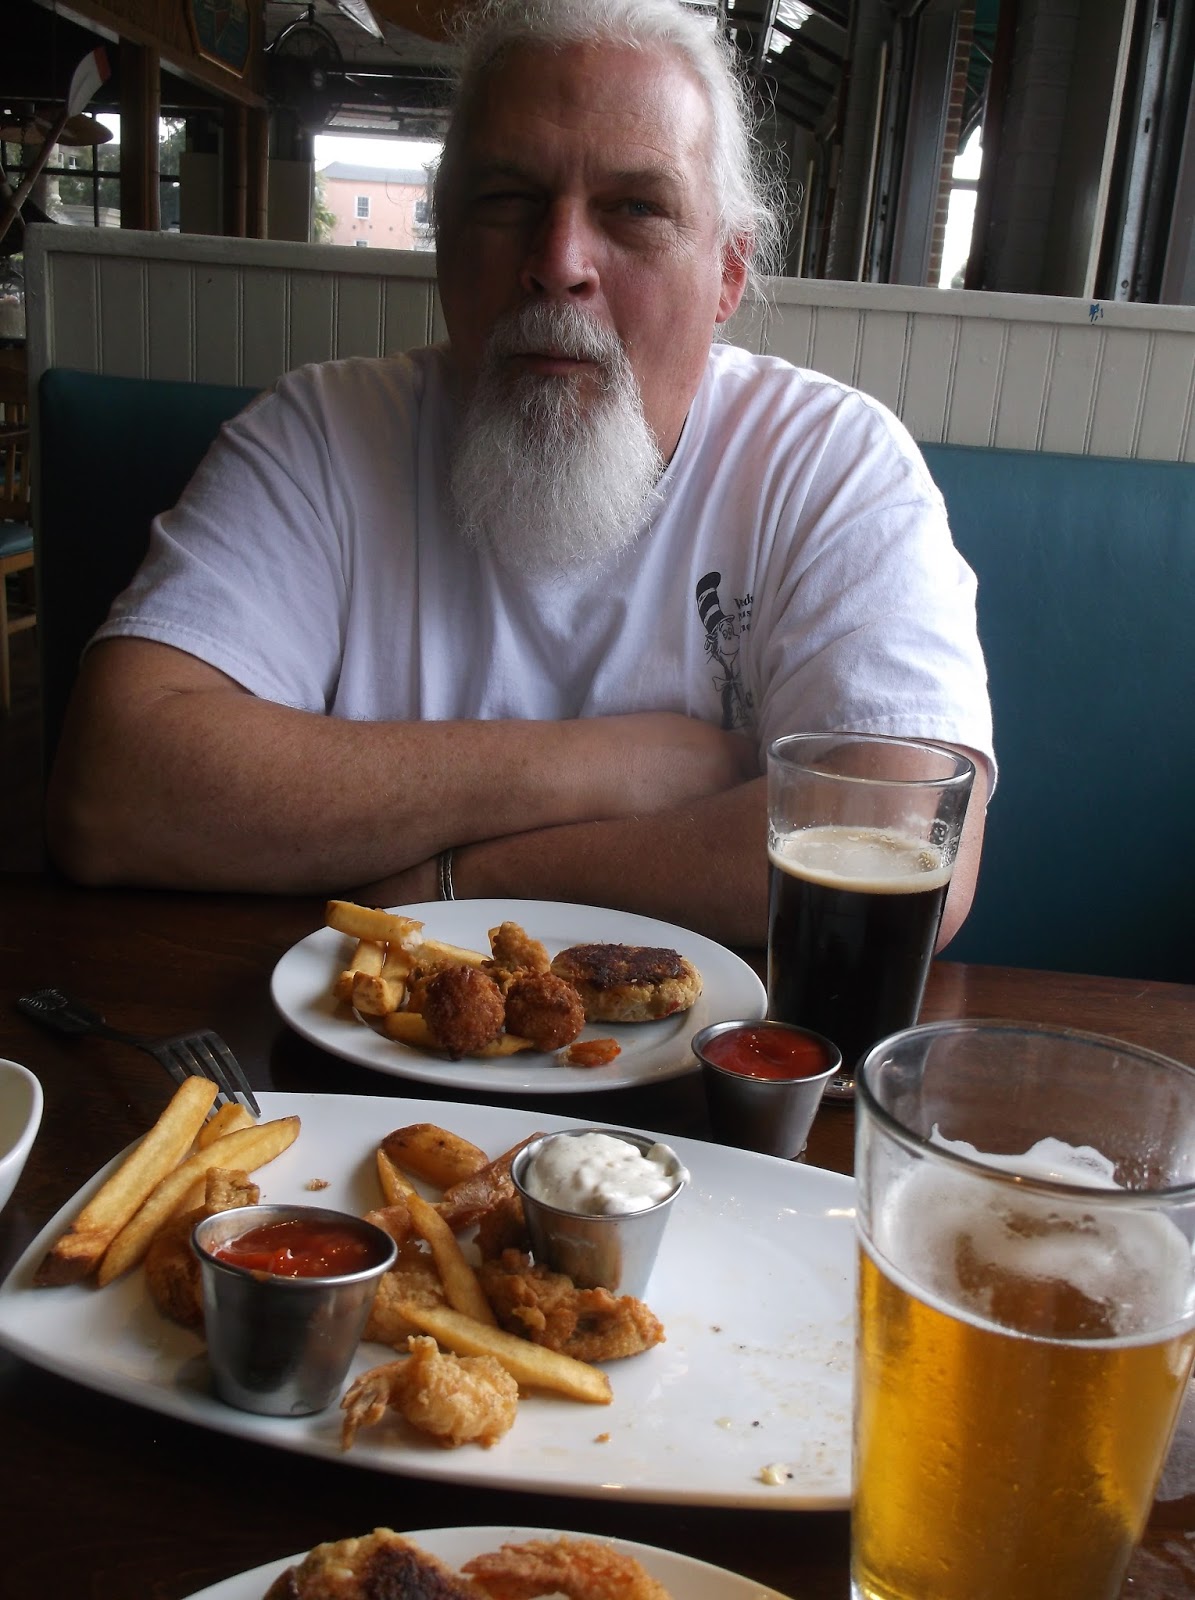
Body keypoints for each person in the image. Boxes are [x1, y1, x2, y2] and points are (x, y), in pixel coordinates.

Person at [46, 0, 993, 948]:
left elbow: (904, 848)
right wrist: (605, 767)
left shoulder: (828, 463)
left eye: (635, 208)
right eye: (507, 198)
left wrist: (465, 882)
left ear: (728, 272)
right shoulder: (322, 437)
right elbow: (112, 791)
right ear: (445, 239)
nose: (559, 263)